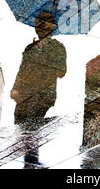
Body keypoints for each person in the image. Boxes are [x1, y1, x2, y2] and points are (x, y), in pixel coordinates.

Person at [10, 10, 67, 167]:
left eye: (44, 24)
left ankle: (32, 160)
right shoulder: (30, 47)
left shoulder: (57, 47)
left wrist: (44, 57)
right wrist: (15, 88)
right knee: (20, 121)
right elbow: (22, 69)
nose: (40, 27)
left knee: (32, 122)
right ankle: (28, 160)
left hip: (43, 93)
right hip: (25, 92)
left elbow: (62, 71)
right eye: (38, 24)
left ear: (52, 27)